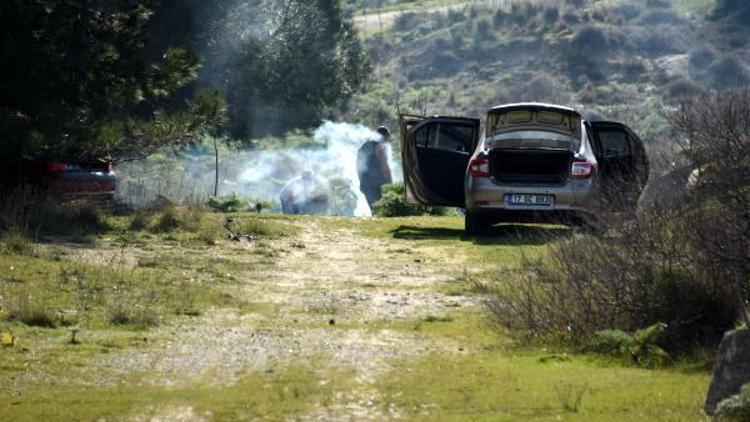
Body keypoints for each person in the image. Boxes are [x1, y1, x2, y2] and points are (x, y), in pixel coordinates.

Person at [357, 126, 393, 208]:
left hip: (365, 184)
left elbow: (358, 166)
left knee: (374, 211)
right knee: (383, 211)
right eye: (387, 138)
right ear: (386, 136)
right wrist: (391, 184)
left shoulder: (364, 146)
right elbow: (385, 168)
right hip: (379, 186)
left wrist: (362, 180)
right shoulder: (380, 147)